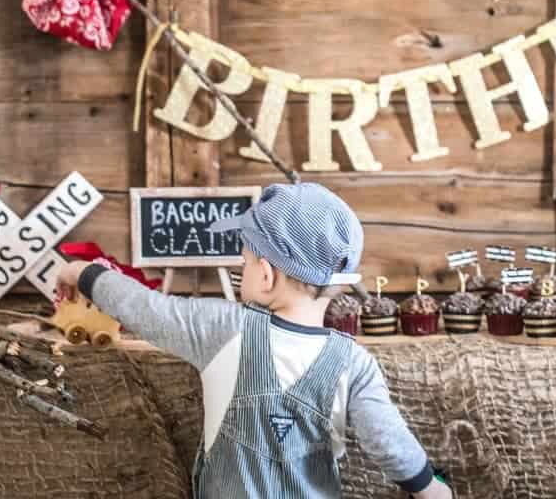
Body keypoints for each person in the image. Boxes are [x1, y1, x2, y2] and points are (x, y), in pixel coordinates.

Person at [57, 182, 452, 499]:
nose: (240, 269)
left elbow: (145, 309)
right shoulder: (353, 361)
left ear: (265, 276)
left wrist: (83, 272)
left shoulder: (223, 329)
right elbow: (389, 443)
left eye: (243, 261)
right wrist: (430, 488)